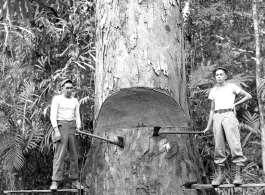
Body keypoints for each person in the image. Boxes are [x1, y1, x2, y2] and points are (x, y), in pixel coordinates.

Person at [203, 67, 252, 186]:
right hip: (217, 116)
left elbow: (248, 96)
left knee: (234, 144)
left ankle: (238, 175)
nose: (219, 76)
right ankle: (220, 175)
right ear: (215, 77)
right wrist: (208, 126)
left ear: (225, 76)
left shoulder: (231, 87)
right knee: (219, 146)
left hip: (229, 115)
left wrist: (235, 103)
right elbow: (211, 110)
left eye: (221, 74)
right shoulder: (213, 91)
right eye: (217, 75)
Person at [49, 79, 84, 190]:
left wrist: (78, 126)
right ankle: (55, 181)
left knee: (74, 155)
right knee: (59, 155)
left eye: (71, 88)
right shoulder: (57, 99)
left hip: (72, 127)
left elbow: (77, 115)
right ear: (62, 88)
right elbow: (52, 115)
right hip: (61, 126)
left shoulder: (75, 101)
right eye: (67, 88)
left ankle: (75, 180)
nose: (69, 90)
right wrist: (56, 130)